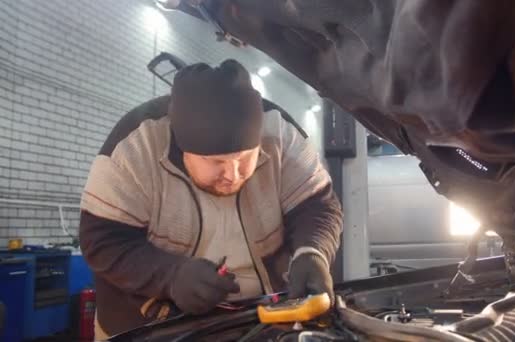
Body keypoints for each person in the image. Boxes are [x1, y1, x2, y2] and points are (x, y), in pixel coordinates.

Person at [79, 60, 343, 338]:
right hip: (148, 327)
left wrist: (312, 253)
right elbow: (102, 240)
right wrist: (169, 275)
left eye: (244, 158)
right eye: (214, 161)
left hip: (261, 322)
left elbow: (319, 206)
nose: (232, 174)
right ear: (182, 149)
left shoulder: (281, 134)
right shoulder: (133, 148)